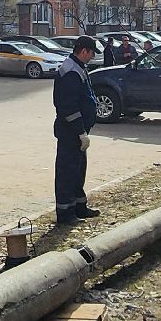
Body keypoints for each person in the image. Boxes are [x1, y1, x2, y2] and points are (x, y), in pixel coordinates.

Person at [52, 35, 101, 222]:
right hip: (70, 132)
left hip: (77, 133)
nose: (92, 57)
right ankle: (65, 213)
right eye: (91, 53)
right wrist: (80, 132)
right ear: (84, 51)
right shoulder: (71, 71)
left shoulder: (78, 67)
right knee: (67, 172)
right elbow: (68, 107)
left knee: (78, 170)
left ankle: (79, 207)